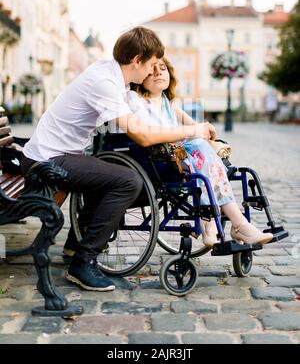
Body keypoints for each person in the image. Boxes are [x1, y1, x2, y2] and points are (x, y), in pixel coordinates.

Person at [21, 27, 215, 292]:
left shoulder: (111, 75)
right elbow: (143, 136)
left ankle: (74, 243)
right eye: (150, 65)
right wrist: (194, 131)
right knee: (128, 181)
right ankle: (82, 262)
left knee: (111, 171)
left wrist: (186, 121)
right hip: (47, 161)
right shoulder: (105, 82)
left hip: (60, 155)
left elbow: (148, 110)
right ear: (137, 60)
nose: (151, 71)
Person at [127, 57, 273, 247]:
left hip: (178, 157)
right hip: (159, 160)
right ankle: (232, 223)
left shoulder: (169, 104)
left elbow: (196, 127)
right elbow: (150, 134)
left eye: (162, 69)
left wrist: (205, 129)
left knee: (204, 150)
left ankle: (213, 220)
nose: (158, 73)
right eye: (152, 69)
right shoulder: (139, 101)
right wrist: (194, 135)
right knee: (199, 150)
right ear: (141, 76)